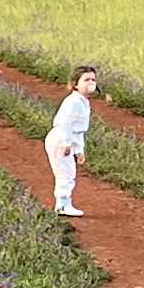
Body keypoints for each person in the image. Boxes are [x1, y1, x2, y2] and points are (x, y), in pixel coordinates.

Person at [46, 65, 97, 220]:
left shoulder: (83, 102)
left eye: (93, 79)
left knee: (68, 172)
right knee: (65, 173)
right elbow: (64, 124)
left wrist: (79, 149)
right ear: (76, 84)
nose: (91, 83)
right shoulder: (73, 102)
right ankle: (62, 205)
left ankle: (64, 203)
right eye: (86, 79)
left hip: (66, 139)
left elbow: (79, 130)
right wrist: (66, 143)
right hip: (60, 139)